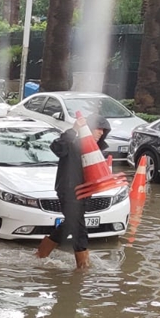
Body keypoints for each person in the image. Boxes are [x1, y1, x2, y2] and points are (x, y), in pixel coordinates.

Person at [36, 114, 112, 270]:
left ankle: (40, 255)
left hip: (84, 194)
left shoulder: (96, 150)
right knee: (79, 229)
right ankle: (83, 268)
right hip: (69, 193)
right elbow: (57, 147)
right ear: (88, 129)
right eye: (98, 129)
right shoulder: (71, 144)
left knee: (69, 226)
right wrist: (74, 129)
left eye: (104, 130)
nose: (101, 133)